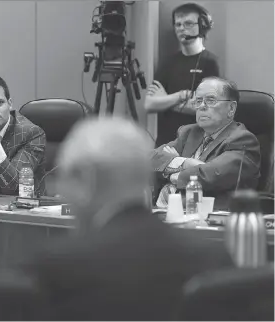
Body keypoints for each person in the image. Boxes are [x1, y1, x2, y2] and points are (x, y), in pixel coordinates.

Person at [21, 117, 234, 320]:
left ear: (85, 180)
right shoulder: (213, 259)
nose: (62, 191)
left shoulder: (56, 268)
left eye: (64, 179)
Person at [151, 77, 261, 210]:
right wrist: (185, 163)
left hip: (207, 217)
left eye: (210, 100)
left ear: (231, 108)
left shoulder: (243, 140)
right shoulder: (189, 132)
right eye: (198, 101)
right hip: (164, 211)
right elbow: (152, 158)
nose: (202, 106)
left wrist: (171, 170)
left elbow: (209, 175)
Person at [145, 3, 221, 147]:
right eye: (178, 24)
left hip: (197, 147)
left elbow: (208, 109)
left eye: (188, 23)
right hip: (165, 145)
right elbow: (150, 104)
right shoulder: (167, 62)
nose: (181, 28)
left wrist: (165, 101)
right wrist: (180, 96)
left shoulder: (210, 63)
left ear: (203, 26)